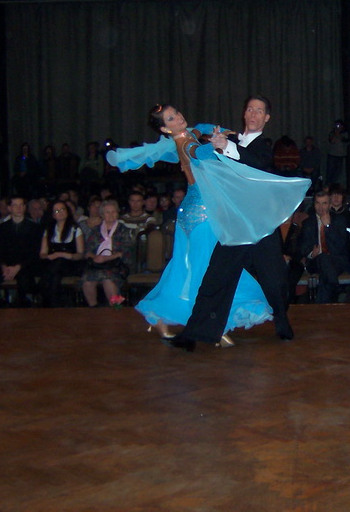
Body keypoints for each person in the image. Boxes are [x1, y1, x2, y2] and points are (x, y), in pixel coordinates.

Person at [110, 102, 307, 345]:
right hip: (205, 215)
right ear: (165, 129)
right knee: (209, 272)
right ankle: (203, 329)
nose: (178, 118)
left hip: (233, 217)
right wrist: (217, 144)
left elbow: (204, 129)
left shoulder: (202, 136)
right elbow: (197, 152)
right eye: (171, 119)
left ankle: (197, 324)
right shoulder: (185, 141)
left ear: (267, 117)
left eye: (176, 113)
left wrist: (221, 133)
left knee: (220, 271)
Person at [169, 95, 310, 350]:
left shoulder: (264, 147)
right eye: (250, 109)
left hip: (261, 227)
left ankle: (281, 319)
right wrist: (205, 151)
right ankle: (193, 334)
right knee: (215, 279)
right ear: (244, 114)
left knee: (274, 281)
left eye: (259, 111)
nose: (253, 114)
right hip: (235, 227)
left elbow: (258, 163)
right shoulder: (228, 140)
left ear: (266, 118)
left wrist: (226, 146)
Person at [299, 190, 350, 303]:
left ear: (330, 205)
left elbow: (341, 245)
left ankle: (323, 305)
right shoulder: (308, 223)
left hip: (337, 260)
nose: (320, 207)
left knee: (325, 278)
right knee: (323, 258)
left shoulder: (339, 220)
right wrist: (311, 253)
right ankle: (337, 289)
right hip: (316, 261)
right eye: (317, 203)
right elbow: (303, 247)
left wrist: (328, 226)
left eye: (324, 203)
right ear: (314, 205)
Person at [0, 196, 43, 306]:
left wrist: (18, 267)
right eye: (15, 205)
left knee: (25, 280)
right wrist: (3, 266)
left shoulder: (34, 228)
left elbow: (34, 252)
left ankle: (23, 307)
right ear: (9, 208)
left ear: (25, 207)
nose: (19, 208)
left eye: (21, 205)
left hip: (25, 265)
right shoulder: (2, 227)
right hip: (7, 265)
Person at [81, 199, 132, 307]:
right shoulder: (95, 230)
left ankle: (116, 307)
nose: (111, 215)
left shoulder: (124, 230)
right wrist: (95, 257)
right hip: (97, 265)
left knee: (108, 280)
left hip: (117, 264)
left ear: (117, 213)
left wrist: (106, 258)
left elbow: (125, 251)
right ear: (102, 215)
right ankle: (93, 308)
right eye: (107, 212)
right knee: (87, 281)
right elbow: (88, 250)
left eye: (113, 212)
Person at [39, 200, 85, 307]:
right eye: (56, 211)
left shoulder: (75, 229)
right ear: (52, 215)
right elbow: (42, 253)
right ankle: (53, 307)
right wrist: (48, 256)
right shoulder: (48, 230)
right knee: (55, 277)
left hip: (70, 264)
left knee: (59, 262)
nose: (60, 212)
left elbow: (80, 254)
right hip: (53, 265)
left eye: (62, 209)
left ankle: (42, 286)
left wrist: (62, 254)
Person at [327, 118, 349, 186]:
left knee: (338, 173)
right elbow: (331, 141)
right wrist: (335, 133)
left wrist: (338, 134)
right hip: (332, 155)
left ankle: (334, 185)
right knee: (330, 172)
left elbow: (345, 140)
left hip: (340, 155)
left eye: (339, 125)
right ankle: (328, 185)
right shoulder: (332, 133)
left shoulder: (345, 133)